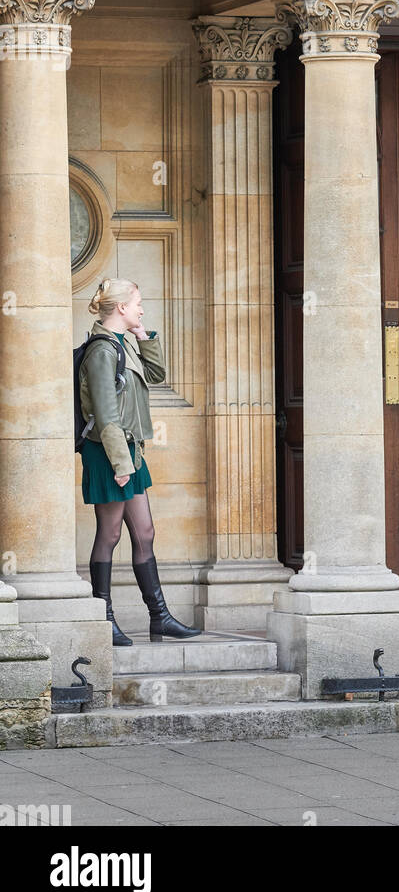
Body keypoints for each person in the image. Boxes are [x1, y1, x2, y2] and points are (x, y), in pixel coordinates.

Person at [78, 277, 201, 646]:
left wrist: (145, 335)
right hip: (109, 453)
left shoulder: (123, 343)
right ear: (120, 308)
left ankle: (159, 618)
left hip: (129, 452)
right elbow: (105, 414)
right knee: (111, 533)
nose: (141, 309)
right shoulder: (101, 350)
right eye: (137, 304)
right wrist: (120, 464)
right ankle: (104, 618)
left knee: (145, 532)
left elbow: (156, 375)